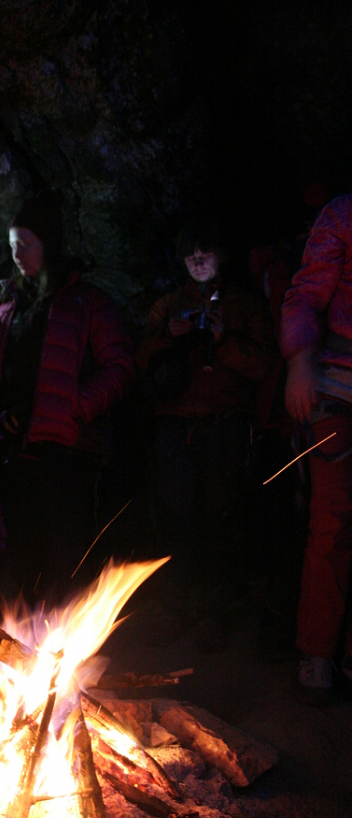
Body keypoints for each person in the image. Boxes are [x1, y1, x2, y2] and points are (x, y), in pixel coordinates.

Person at [0, 189, 135, 608]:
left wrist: (74, 408)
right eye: (12, 244)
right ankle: (20, 656)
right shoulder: (5, 308)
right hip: (11, 455)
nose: (16, 253)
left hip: (66, 455)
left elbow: (121, 367)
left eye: (25, 244)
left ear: (47, 243)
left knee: (65, 560)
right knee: (17, 560)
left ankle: (66, 661)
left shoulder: (86, 304)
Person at [136, 218, 276, 650]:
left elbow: (264, 365)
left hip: (225, 427)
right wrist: (166, 336)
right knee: (175, 520)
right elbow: (137, 360)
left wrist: (225, 339)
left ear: (221, 256)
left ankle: (215, 616)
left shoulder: (244, 306)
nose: (197, 261)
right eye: (190, 254)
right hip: (177, 428)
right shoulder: (168, 305)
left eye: (206, 253)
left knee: (221, 519)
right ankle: (174, 609)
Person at [281, 193, 352, 703]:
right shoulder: (343, 214)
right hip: (337, 396)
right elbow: (305, 295)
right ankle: (317, 653)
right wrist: (300, 362)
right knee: (331, 527)